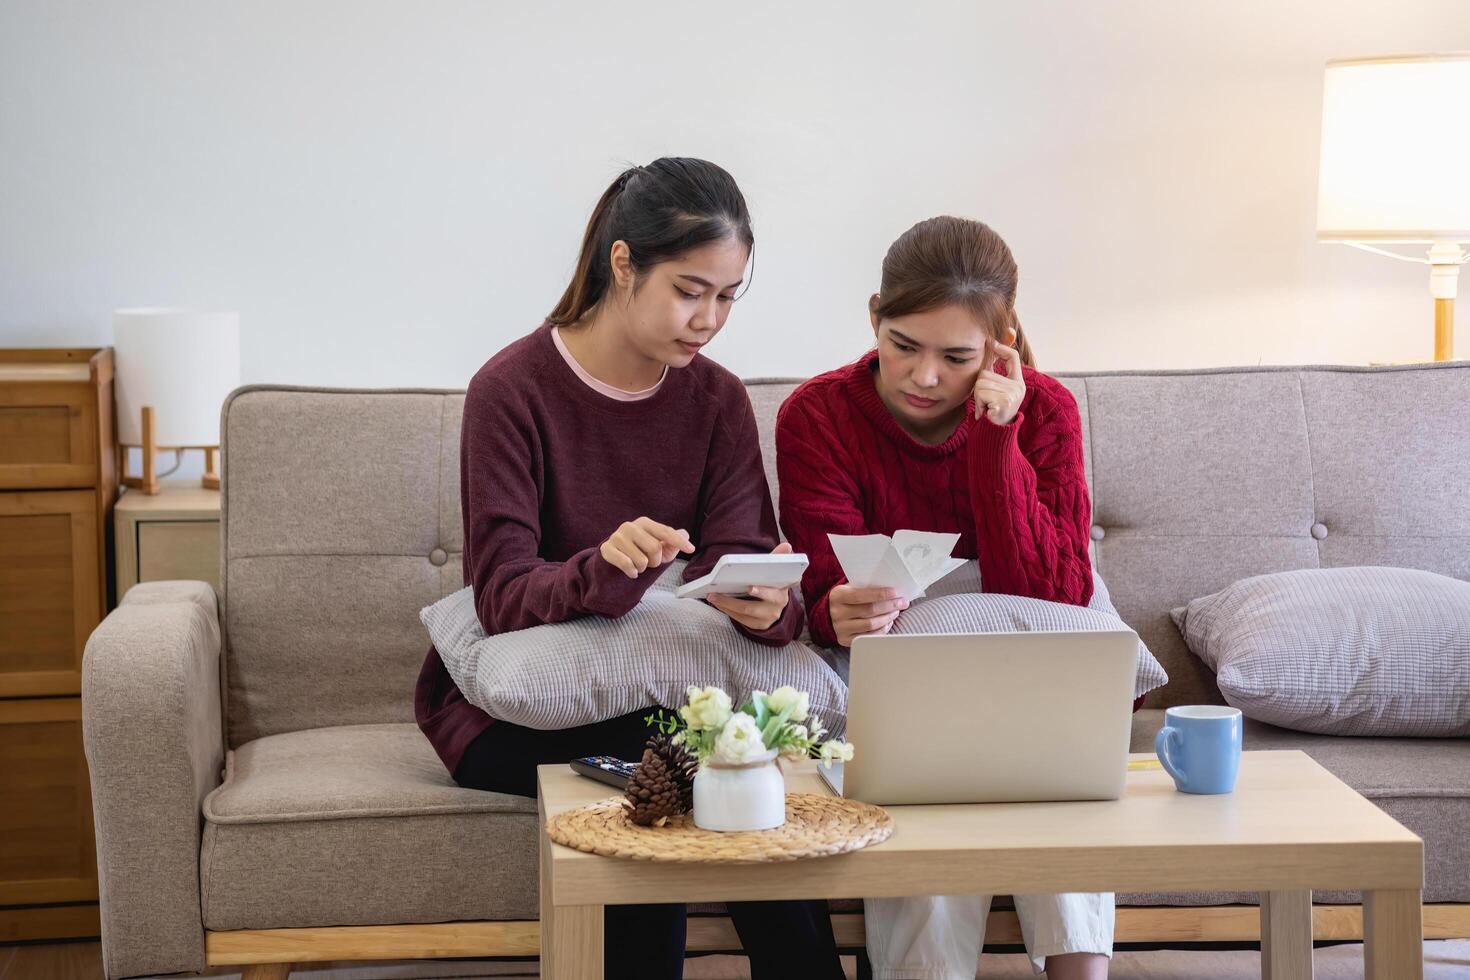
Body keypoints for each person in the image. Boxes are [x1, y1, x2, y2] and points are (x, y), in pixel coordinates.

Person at [415, 157, 844, 980]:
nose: (710, 319)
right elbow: (500, 594)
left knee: (718, 745)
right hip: (509, 723)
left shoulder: (715, 399)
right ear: (623, 263)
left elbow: (744, 553)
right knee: (699, 754)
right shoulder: (511, 391)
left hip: (672, 703)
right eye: (691, 290)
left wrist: (767, 609)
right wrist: (603, 569)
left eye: (727, 296)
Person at [776, 216, 1116, 979]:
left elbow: (1056, 595)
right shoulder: (818, 416)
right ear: (874, 317)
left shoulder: (1046, 410)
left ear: (1002, 346)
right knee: (925, 776)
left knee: (1053, 751)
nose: (923, 377)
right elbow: (820, 587)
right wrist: (834, 607)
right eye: (903, 345)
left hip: (1033, 639)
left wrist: (999, 435)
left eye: (956, 357)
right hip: (904, 655)